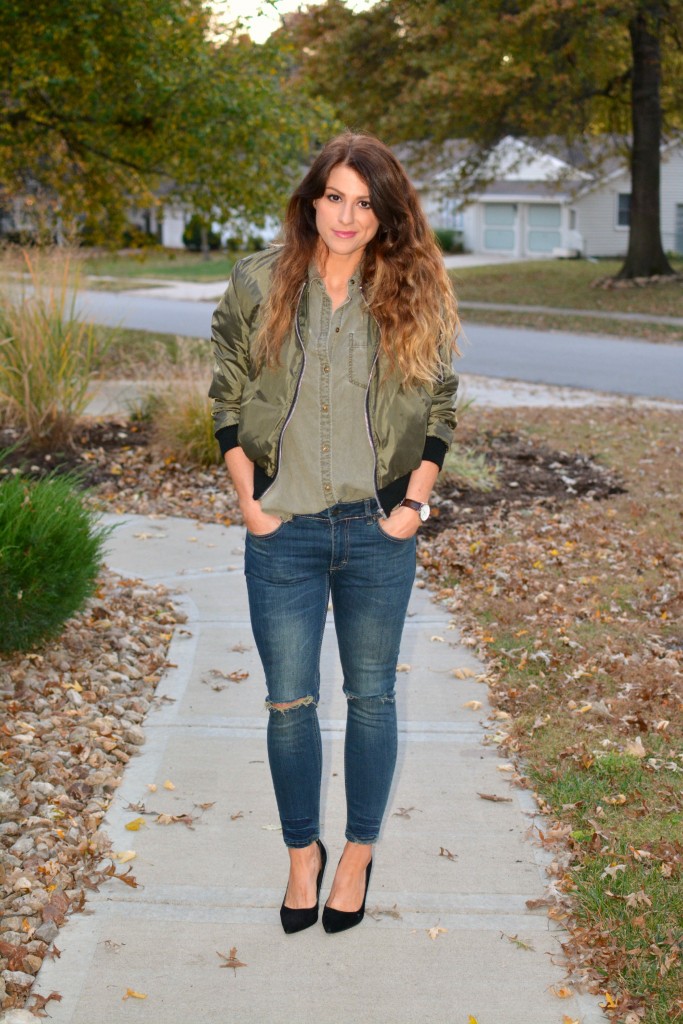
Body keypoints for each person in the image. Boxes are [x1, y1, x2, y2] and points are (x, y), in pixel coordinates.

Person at [209, 131, 459, 935]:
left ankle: (356, 852)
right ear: (311, 200)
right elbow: (226, 387)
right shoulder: (258, 282)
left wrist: (412, 507)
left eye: (364, 203)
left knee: (372, 699)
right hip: (281, 529)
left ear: (385, 215)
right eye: (334, 198)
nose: (346, 216)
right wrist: (249, 499)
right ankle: (300, 857)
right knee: (289, 705)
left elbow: (441, 407)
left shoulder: (411, 289)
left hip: (375, 531)